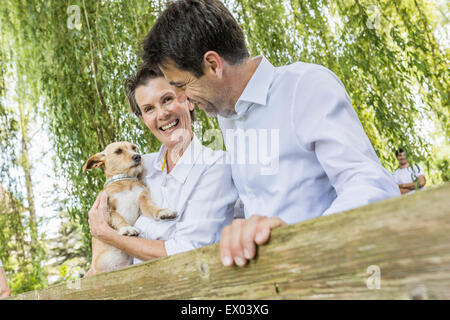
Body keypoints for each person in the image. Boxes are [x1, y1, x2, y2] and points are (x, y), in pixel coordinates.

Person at [141, 0, 401, 267]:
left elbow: (372, 185)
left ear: (213, 65)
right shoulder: (227, 119)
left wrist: (298, 236)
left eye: (182, 85)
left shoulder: (305, 87)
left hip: (333, 272)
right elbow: (258, 199)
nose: (184, 100)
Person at [87, 65, 238, 270]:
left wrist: (109, 235)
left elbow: (185, 251)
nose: (162, 114)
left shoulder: (216, 167)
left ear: (189, 100)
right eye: (149, 109)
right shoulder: (138, 168)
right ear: (143, 119)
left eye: (167, 99)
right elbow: (106, 217)